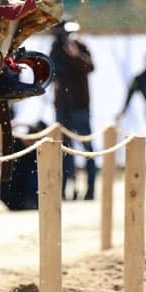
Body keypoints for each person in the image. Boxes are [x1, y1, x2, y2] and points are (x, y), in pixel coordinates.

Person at [48, 19, 96, 200]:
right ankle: (64, 190)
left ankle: (91, 189)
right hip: (63, 107)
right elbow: (51, 73)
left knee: (87, 147)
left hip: (79, 106)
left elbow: (90, 67)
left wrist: (76, 56)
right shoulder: (56, 50)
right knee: (64, 150)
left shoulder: (80, 47)